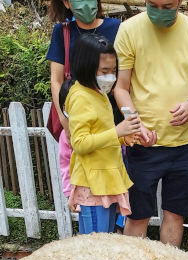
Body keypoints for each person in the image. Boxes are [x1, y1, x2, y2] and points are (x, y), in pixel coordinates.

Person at [113, 0, 188, 247]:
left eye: (167, 5)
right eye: (153, 4)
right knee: (138, 215)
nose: (159, 11)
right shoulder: (129, 30)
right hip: (143, 146)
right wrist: (136, 125)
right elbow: (120, 88)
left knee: (175, 214)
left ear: (180, 2)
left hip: (184, 146)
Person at [46, 0, 122, 199]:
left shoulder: (116, 28)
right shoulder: (62, 32)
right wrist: (66, 122)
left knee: (114, 181)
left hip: (112, 117)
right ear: (67, 3)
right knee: (85, 183)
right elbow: (56, 79)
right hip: (79, 118)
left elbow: (125, 76)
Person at [65, 34, 140, 234]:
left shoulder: (99, 92)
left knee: (104, 245)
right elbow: (79, 143)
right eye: (104, 71)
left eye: (114, 71)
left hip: (106, 179)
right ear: (86, 67)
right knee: (94, 247)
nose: (111, 77)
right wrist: (117, 131)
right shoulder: (81, 96)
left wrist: (124, 137)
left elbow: (101, 132)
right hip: (93, 184)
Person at [58, 78, 76, 198]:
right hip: (80, 192)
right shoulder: (66, 135)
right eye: (67, 105)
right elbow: (65, 164)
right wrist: (69, 192)